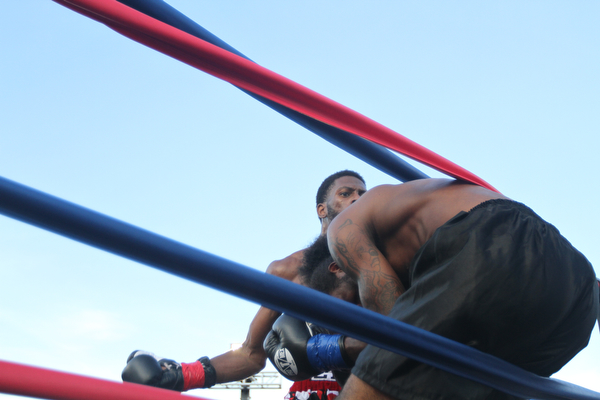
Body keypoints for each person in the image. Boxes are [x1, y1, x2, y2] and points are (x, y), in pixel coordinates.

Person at [318, 178, 599, 400]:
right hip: (578, 294)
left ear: (338, 268)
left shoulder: (342, 229)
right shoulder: (412, 209)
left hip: (496, 244)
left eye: (351, 305)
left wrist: (334, 351)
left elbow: (390, 320)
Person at [121, 170, 367, 399]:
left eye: (362, 194)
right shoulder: (288, 270)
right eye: (346, 193)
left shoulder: (384, 262)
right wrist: (180, 376)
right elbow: (250, 354)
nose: (357, 199)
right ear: (321, 210)